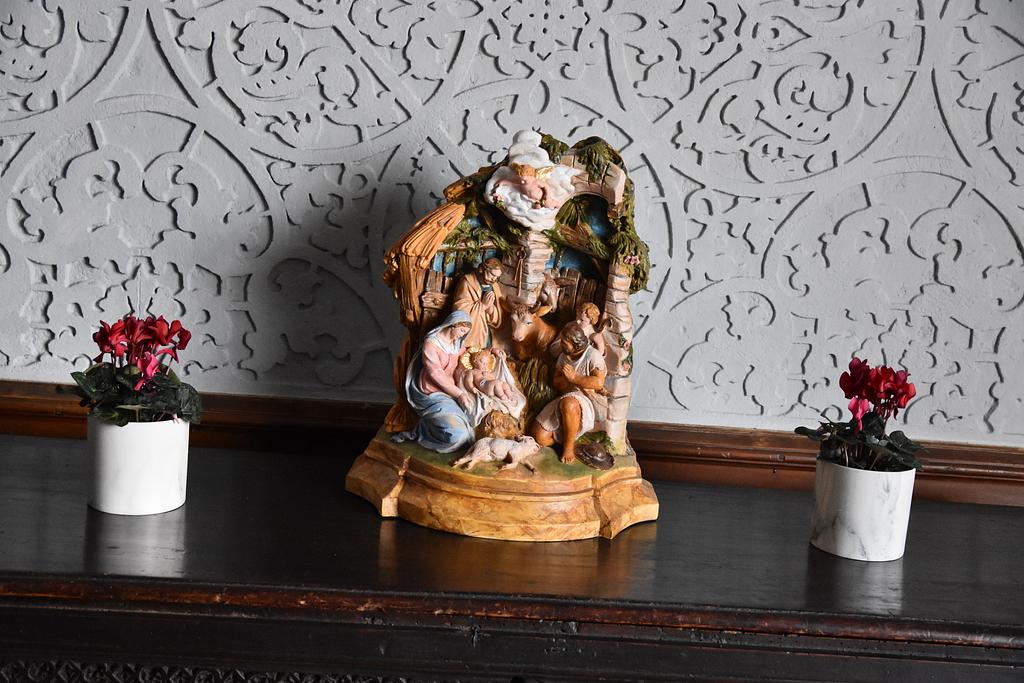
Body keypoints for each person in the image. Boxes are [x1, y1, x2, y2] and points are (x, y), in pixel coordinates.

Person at [392, 311, 475, 453]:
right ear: (453, 325)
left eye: (465, 332)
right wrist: (459, 394)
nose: (462, 335)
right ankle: (423, 430)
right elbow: (435, 373)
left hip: (453, 391)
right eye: (461, 330)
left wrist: (493, 351)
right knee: (459, 436)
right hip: (433, 393)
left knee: (474, 423)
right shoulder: (431, 343)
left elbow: (470, 354)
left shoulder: (457, 344)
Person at [529, 322, 608, 464]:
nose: (561, 345)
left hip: (586, 397)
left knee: (569, 404)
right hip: (565, 395)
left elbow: (598, 383)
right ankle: (567, 435)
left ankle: (568, 446)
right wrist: (565, 380)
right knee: (539, 437)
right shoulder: (563, 356)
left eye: (564, 343)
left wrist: (575, 378)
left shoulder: (593, 355)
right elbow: (556, 382)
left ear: (576, 344)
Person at [451, 258, 503, 350]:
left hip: (485, 333)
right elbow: (459, 309)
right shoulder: (467, 282)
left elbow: (497, 317)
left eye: (496, 277)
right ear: (482, 269)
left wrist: (491, 310)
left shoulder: (495, 287)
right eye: (492, 275)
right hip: (469, 332)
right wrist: (482, 306)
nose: (493, 279)